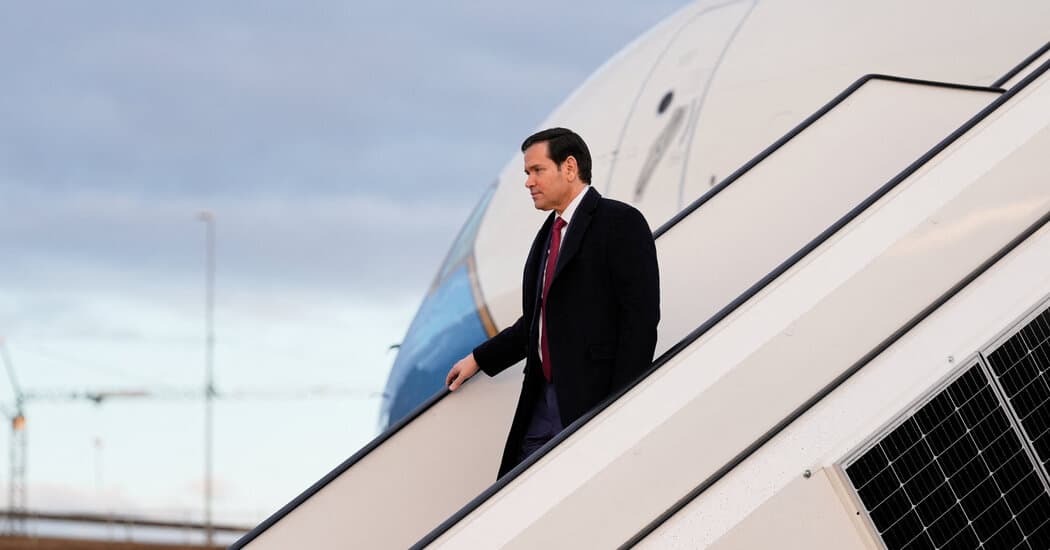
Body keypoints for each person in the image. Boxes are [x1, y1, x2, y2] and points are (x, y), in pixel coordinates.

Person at [445, 127, 660, 478]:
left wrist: (621, 402)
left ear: (570, 168)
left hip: (592, 400)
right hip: (541, 400)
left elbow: (641, 320)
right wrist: (478, 359)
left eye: (537, 171)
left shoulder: (619, 223)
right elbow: (535, 322)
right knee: (514, 496)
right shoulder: (547, 234)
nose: (528, 182)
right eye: (527, 174)